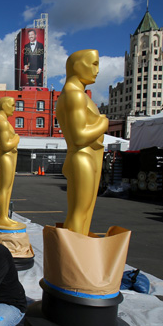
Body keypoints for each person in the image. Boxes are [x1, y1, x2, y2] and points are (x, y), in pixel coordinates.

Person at [56, 49, 107, 236]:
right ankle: (73, 259)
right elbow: (79, 137)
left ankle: (79, 255)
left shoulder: (78, 94)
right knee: (79, 212)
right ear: (77, 66)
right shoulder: (74, 95)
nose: (98, 70)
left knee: (84, 212)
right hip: (82, 157)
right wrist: (103, 123)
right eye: (93, 64)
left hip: (87, 156)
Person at [0, 97, 25, 229]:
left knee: (8, 188)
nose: (14, 108)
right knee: (5, 188)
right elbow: (6, 145)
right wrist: (17, 138)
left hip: (9, 157)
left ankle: (5, 216)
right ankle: (2, 217)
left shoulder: (3, 121)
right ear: (4, 105)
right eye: (12, 105)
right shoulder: (2, 122)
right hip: (6, 156)